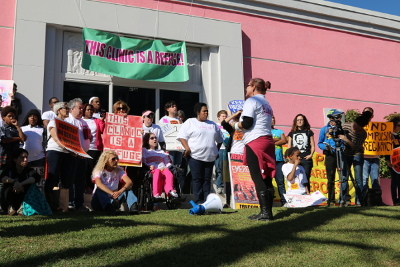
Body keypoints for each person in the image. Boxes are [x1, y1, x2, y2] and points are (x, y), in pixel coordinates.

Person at [231, 78, 275, 221]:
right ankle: (268, 211)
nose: (246, 89)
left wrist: (236, 125)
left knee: (257, 176)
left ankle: (265, 213)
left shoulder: (251, 101)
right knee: (267, 176)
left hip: (255, 141)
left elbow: (248, 123)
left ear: (254, 87)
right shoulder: (267, 103)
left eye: (248, 86)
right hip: (268, 140)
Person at [178, 102, 223, 204]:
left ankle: (206, 201)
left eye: (207, 111)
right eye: (204, 111)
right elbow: (182, 136)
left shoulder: (212, 124)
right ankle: (199, 200)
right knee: (197, 179)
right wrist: (187, 148)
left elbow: (220, 139)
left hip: (210, 157)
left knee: (207, 180)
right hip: (195, 157)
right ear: (198, 112)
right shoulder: (190, 122)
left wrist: (215, 150)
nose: (206, 113)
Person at [91, 150, 139, 215]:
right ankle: (110, 209)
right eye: (113, 159)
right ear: (106, 161)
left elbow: (129, 182)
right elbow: (99, 184)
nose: (116, 161)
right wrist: (112, 193)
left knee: (128, 188)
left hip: (114, 198)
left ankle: (133, 208)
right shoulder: (99, 171)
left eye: (117, 159)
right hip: (99, 201)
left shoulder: (119, 170)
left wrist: (120, 191)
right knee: (99, 190)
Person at [340, 111, 372, 206]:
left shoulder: (363, 134)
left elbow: (356, 147)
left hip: (357, 155)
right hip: (345, 154)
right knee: (344, 177)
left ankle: (359, 201)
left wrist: (346, 140)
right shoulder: (346, 126)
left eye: (358, 128)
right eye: (355, 126)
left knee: (358, 179)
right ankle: (343, 200)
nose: (356, 129)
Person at [45, 102, 72, 211]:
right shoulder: (53, 122)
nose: (68, 110)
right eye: (65, 108)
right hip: (55, 151)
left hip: (65, 153)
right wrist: (68, 148)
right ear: (59, 110)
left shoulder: (66, 123)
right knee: (53, 176)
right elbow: (56, 139)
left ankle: (63, 205)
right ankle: (49, 204)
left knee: (65, 178)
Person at [65, 98, 91, 212]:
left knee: (80, 181)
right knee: (70, 180)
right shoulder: (67, 121)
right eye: (79, 108)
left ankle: (79, 204)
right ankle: (70, 203)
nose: (82, 110)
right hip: (71, 156)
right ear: (72, 109)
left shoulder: (84, 122)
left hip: (83, 156)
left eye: (82, 108)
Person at [0, 148, 41, 215]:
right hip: (10, 197)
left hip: (24, 197)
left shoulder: (29, 170)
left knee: (31, 187)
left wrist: (21, 184)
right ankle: (11, 208)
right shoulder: (9, 170)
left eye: (26, 157)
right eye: (22, 157)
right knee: (8, 187)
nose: (25, 160)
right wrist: (14, 182)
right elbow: (2, 178)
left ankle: (23, 209)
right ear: (15, 159)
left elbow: (36, 177)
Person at [318, 109, 344, 206]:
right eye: (336, 117)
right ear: (331, 118)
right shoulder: (324, 129)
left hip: (340, 154)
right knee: (331, 177)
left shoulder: (342, 128)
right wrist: (326, 147)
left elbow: (345, 141)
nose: (337, 119)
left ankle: (343, 199)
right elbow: (319, 143)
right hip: (330, 155)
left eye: (339, 117)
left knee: (343, 177)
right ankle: (331, 200)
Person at [142, 133, 178, 198]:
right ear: (147, 141)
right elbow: (144, 161)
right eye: (152, 138)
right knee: (157, 172)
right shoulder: (145, 150)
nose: (155, 139)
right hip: (153, 169)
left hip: (163, 168)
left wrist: (171, 166)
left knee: (168, 172)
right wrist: (148, 166)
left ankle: (170, 190)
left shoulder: (161, 151)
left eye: (155, 137)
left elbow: (167, 163)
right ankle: (156, 194)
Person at [287, 114, 315, 192]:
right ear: (295, 122)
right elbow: (289, 147)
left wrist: (311, 155)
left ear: (304, 121)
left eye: (301, 119)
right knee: (296, 178)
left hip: (306, 159)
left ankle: (308, 197)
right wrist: (290, 158)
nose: (299, 121)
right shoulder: (292, 133)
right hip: (295, 159)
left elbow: (312, 145)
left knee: (305, 178)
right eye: (298, 120)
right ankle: (297, 195)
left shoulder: (309, 132)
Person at [82, 103, 105, 192]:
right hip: (83, 148)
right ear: (84, 110)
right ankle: (84, 186)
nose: (90, 111)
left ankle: (91, 186)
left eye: (91, 110)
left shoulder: (97, 120)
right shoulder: (80, 120)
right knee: (84, 168)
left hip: (94, 148)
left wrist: (102, 120)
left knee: (92, 168)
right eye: (88, 110)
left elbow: (103, 129)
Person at [362, 107, 381, 193]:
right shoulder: (359, 126)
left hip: (375, 157)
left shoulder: (377, 127)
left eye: (369, 113)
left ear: (372, 115)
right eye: (366, 113)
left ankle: (376, 200)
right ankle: (364, 200)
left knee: (375, 180)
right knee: (364, 180)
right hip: (364, 157)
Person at [271, 115, 288, 206]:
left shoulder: (279, 131)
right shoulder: (265, 131)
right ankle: (269, 201)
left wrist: (272, 141)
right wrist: (277, 139)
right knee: (268, 182)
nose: (273, 120)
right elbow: (266, 141)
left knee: (280, 181)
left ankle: (284, 201)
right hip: (269, 160)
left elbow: (284, 141)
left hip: (279, 160)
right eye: (271, 119)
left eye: (274, 119)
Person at [386, 117, 400, 206]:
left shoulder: (397, 136)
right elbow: (386, 150)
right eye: (398, 125)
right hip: (392, 162)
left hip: (398, 162)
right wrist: (387, 161)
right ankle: (395, 201)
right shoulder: (388, 136)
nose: (399, 127)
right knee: (394, 182)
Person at [215, 110, 229, 194]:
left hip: (227, 149)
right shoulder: (215, 125)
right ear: (218, 117)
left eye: (225, 116)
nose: (224, 117)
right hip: (219, 149)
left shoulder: (228, 126)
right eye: (223, 116)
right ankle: (219, 186)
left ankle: (228, 187)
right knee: (219, 168)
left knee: (227, 169)